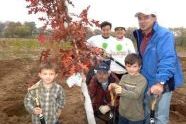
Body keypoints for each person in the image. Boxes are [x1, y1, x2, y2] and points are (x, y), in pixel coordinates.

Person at [133, 9, 184, 124]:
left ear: (154, 18)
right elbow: (143, 57)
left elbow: (168, 59)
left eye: (146, 17)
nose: (142, 21)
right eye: (139, 18)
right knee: (146, 112)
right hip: (146, 81)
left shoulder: (164, 34)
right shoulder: (141, 35)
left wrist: (160, 83)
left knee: (159, 117)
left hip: (162, 82)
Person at [109, 53, 147, 124]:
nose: (131, 69)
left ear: (140, 67)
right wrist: (114, 86)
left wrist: (122, 91)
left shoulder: (142, 80)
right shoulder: (124, 77)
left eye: (134, 66)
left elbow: (136, 95)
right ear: (125, 66)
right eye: (129, 66)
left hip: (135, 116)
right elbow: (119, 91)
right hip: (122, 113)